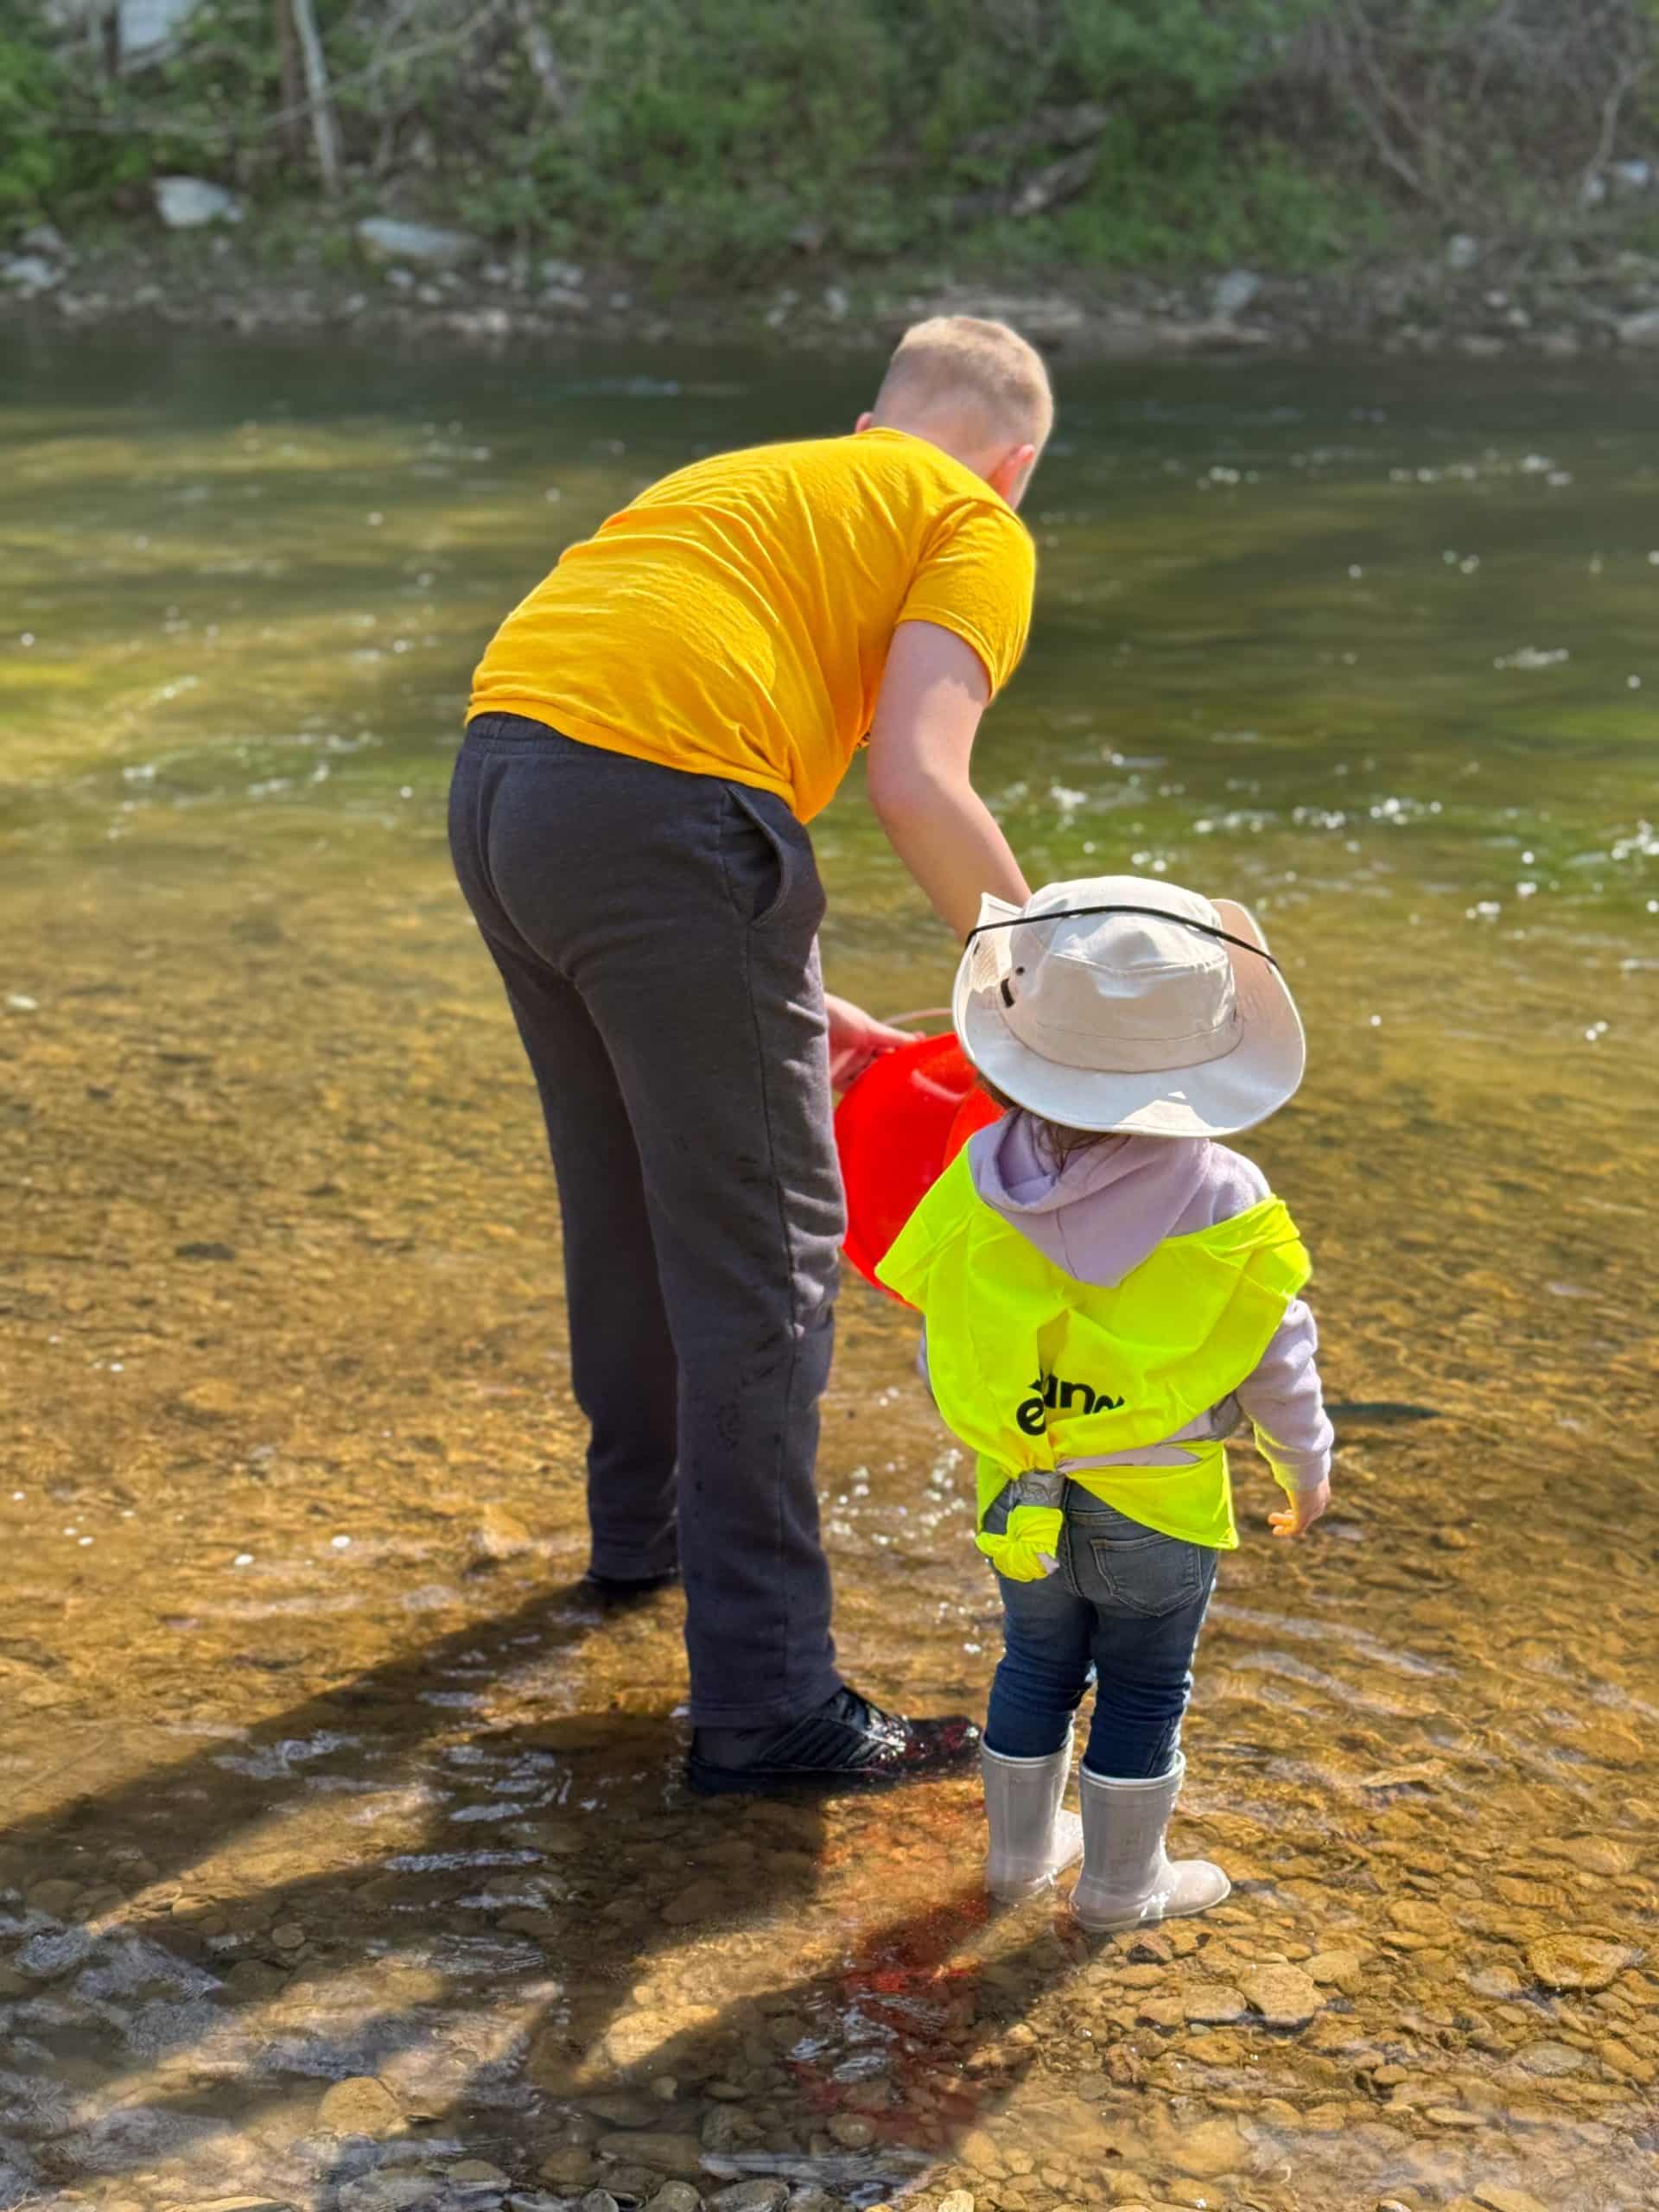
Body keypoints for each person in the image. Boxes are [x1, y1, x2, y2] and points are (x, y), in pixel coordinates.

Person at [449, 315, 1052, 1793]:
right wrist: (1054, 997)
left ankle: (635, 1542)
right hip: (657, 819)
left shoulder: (759, 481)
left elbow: (680, 716)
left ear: (867, 424)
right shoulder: (969, 521)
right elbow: (917, 781)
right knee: (772, 1257)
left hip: (502, 781)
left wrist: (790, 994)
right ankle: (771, 1703)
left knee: (628, 1195)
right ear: (1018, 464)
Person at [877, 875, 1333, 1927]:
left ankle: (1017, 1862)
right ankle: (1124, 1886)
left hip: (1019, 1487)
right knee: (1142, 1686)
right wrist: (1305, 1465)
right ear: (1202, 1064)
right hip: (1159, 1502)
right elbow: (1278, 1352)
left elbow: (941, 1335)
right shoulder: (1226, 1195)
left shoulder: (979, 1173)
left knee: (1034, 1662)